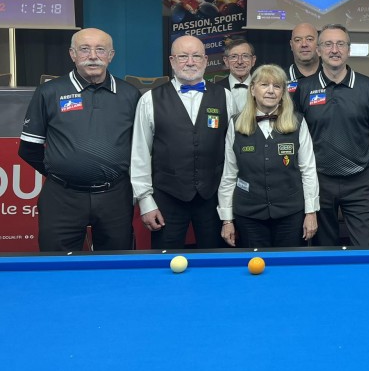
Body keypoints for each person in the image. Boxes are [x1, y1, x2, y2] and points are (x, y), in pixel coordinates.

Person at [18, 28, 140, 251]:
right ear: (72, 54)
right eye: (84, 49)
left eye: (100, 49)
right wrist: (63, 171)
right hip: (62, 196)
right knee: (57, 265)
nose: (93, 56)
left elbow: (141, 149)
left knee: (116, 264)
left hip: (115, 196)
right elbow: (28, 149)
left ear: (111, 55)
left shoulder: (130, 94)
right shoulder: (49, 92)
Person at [293, 24, 369, 247]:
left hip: (359, 182)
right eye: (328, 44)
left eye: (340, 44)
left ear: (349, 50)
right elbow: (295, 138)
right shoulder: (304, 88)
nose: (334, 50)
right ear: (318, 50)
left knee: (364, 249)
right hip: (319, 182)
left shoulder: (368, 86)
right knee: (324, 250)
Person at [130, 35, 235, 249]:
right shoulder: (149, 100)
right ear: (172, 61)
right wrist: (145, 201)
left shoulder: (225, 96)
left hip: (213, 198)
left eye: (196, 56)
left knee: (214, 260)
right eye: (183, 56)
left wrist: (228, 208)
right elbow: (140, 154)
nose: (190, 62)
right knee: (166, 260)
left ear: (206, 60)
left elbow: (233, 153)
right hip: (167, 197)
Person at [217, 64, 319, 248]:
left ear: (283, 92)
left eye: (277, 86)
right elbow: (229, 174)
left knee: (289, 264)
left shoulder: (298, 122)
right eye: (264, 85)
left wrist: (311, 212)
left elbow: (308, 170)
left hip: (291, 214)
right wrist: (227, 219)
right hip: (249, 215)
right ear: (252, 89)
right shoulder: (235, 123)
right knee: (255, 264)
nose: (271, 91)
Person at [220, 37, 257, 114]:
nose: (240, 62)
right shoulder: (215, 90)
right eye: (234, 56)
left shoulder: (264, 88)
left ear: (253, 60)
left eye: (245, 56)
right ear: (226, 61)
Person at [287, 22, 320, 90]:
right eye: (298, 40)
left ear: (319, 43)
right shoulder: (280, 79)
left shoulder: (332, 76)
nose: (304, 44)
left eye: (309, 39)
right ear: (291, 45)